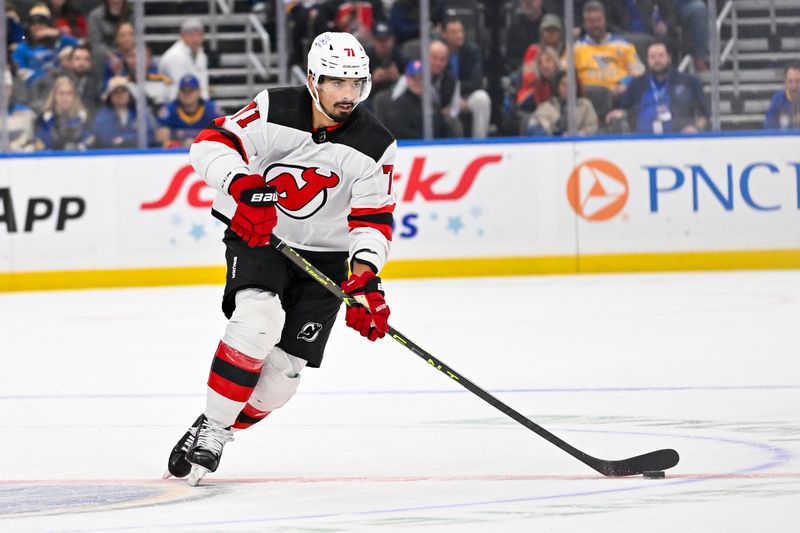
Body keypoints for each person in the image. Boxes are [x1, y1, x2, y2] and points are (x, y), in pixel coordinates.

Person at [164, 31, 397, 487]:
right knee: (257, 321)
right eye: (337, 83)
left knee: (283, 379)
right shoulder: (274, 108)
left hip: (326, 260)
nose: (348, 95)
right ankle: (212, 431)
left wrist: (365, 277)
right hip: (262, 237)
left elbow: (374, 218)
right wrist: (241, 187)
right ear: (313, 79)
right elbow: (209, 144)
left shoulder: (375, 143)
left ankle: (218, 425)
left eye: (356, 84)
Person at [607, 42, 709, 134]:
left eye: (661, 56)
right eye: (652, 57)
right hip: (642, 141)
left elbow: (705, 114)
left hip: (678, 139)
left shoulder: (688, 82)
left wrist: (695, 128)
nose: (657, 60)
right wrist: (619, 113)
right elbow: (624, 108)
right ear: (647, 60)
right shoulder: (637, 83)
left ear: (669, 58)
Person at [574, 0, 644, 121]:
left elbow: (639, 70)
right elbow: (564, 73)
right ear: (584, 23)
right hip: (587, 99)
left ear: (604, 20)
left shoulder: (623, 45)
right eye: (591, 21)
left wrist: (624, 83)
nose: (595, 24)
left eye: (598, 20)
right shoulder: (576, 48)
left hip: (618, 97)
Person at [440, 17, 491, 138]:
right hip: (444, 96)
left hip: (465, 96)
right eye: (454, 32)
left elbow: (476, 82)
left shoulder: (472, 51)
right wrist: (452, 98)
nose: (459, 35)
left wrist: (458, 97)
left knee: (482, 98)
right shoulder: (438, 52)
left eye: (461, 31)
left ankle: (480, 143)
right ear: (444, 34)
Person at [12, 4, 79, 87]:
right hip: (35, 89)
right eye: (33, 23)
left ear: (49, 25)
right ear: (29, 26)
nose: (37, 26)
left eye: (42, 22)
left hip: (59, 86)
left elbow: (79, 46)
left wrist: (58, 34)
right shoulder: (22, 48)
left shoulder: (58, 42)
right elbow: (22, 74)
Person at [383, 59, 446, 139]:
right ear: (407, 79)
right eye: (414, 78)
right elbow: (399, 131)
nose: (418, 81)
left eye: (421, 78)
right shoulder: (398, 105)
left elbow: (440, 130)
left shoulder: (432, 104)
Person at [156, 74, 224, 147]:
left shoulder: (211, 109)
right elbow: (160, 137)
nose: (187, 94)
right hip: (177, 153)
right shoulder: (170, 110)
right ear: (178, 92)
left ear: (199, 92)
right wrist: (181, 143)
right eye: (183, 91)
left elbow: (223, 134)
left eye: (191, 91)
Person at [526, 70, 598, 137]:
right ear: (558, 87)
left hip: (579, 145)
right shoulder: (548, 105)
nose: (567, 88)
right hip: (553, 146)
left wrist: (575, 136)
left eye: (571, 84)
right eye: (563, 85)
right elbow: (534, 123)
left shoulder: (585, 105)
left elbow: (592, 127)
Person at [92, 75, 155, 148]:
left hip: (137, 154)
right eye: (116, 92)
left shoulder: (139, 113)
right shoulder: (103, 116)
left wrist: (125, 140)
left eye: (123, 91)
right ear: (110, 96)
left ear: (129, 94)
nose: (120, 95)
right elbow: (104, 137)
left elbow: (148, 134)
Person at [34, 74, 94, 150]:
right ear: (55, 96)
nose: (65, 98)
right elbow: (42, 143)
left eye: (69, 93)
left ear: (74, 96)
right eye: (61, 93)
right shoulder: (44, 119)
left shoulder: (84, 117)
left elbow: (88, 142)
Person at [158, 17, 210, 101]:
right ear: (182, 36)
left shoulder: (201, 55)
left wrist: (206, 106)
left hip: (195, 104)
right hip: (173, 104)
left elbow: (203, 85)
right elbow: (184, 87)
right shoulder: (174, 56)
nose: (195, 39)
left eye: (199, 35)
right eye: (191, 35)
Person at [764, 64, 800, 130]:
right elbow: (769, 129)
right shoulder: (777, 100)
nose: (794, 86)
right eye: (790, 81)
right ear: (785, 81)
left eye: (797, 81)